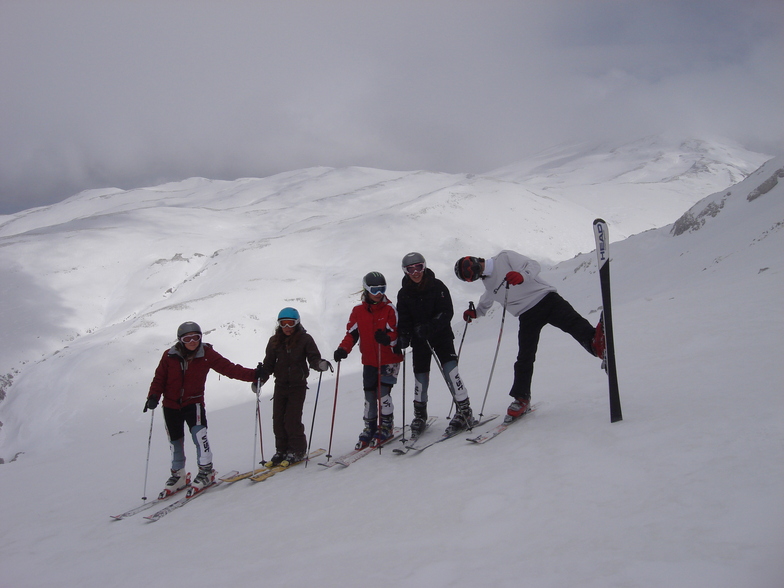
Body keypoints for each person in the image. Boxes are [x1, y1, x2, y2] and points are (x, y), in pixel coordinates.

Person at [454, 252, 604, 420]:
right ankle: (521, 398)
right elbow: (486, 300)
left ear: (474, 260)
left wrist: (521, 276)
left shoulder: (504, 258)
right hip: (527, 314)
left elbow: (533, 265)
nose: (471, 273)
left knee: (573, 323)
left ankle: (595, 345)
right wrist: (476, 313)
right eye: (467, 277)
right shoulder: (488, 282)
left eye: (468, 269)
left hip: (546, 298)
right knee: (525, 356)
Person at [145, 321, 261, 496]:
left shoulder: (206, 354)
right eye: (187, 338)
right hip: (170, 405)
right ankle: (179, 475)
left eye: (196, 337)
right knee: (175, 441)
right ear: (180, 340)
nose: (192, 341)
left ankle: (206, 471)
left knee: (200, 436)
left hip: (194, 403)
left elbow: (228, 368)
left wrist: (253, 375)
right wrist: (153, 396)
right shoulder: (169, 356)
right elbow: (159, 378)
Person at [396, 252, 476, 436]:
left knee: (451, 372)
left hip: (441, 337)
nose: (415, 272)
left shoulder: (437, 286)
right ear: (405, 271)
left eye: (419, 267)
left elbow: (446, 312)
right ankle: (420, 415)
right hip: (419, 340)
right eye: (410, 269)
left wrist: (430, 327)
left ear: (424, 267)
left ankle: (464, 410)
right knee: (420, 378)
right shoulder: (404, 293)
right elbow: (404, 319)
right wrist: (404, 337)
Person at [333, 271, 403, 449]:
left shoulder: (389, 309)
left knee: (383, 393)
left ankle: (386, 425)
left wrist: (387, 339)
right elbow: (352, 334)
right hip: (370, 361)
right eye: (374, 289)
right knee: (369, 395)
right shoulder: (358, 311)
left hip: (388, 359)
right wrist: (343, 349)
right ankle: (370, 427)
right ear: (366, 289)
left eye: (382, 289)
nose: (378, 293)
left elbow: (395, 333)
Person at [255, 307, 332, 467]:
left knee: (291, 419)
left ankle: (297, 450)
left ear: (297, 323)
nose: (287, 327)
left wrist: (320, 365)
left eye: (290, 323)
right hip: (281, 385)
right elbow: (269, 364)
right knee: (278, 419)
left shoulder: (305, 339)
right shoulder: (274, 341)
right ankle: (281, 450)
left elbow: (313, 358)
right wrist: (261, 379)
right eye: (283, 324)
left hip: (298, 385)